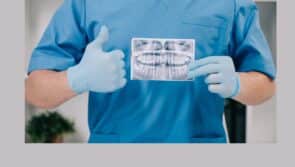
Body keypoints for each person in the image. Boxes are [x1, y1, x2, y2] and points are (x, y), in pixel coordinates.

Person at [25, 0, 276, 143]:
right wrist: (77, 78)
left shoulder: (230, 4)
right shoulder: (86, 4)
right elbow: (35, 91)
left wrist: (238, 84)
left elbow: (265, 85)